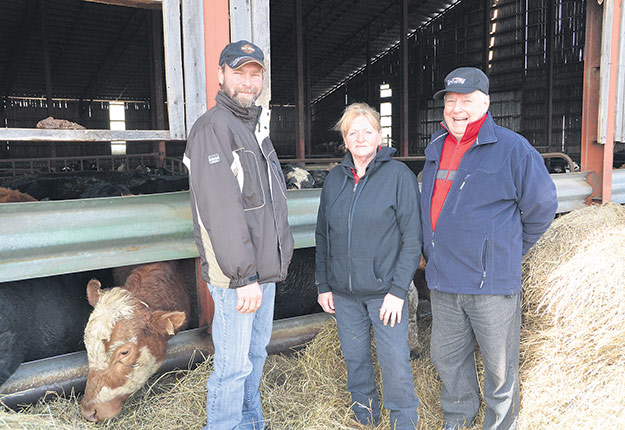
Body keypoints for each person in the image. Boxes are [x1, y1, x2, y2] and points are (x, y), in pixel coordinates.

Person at [420, 67, 558, 430]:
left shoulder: (512, 148)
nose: (457, 109)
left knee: (499, 368)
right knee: (448, 359)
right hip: (444, 280)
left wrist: (506, 252)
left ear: (485, 103)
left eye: (466, 101)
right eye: (451, 101)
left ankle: (499, 424)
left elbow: (542, 207)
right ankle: (458, 420)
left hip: (490, 284)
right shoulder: (436, 147)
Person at [183, 40, 294, 430]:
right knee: (232, 367)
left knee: (254, 355)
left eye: (254, 74)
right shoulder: (214, 128)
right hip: (239, 278)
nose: (247, 82)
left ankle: (251, 421)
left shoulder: (253, 128)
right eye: (238, 72)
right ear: (220, 76)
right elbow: (222, 210)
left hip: (262, 272)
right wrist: (244, 276)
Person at [315, 102, 421, 429]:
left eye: (367, 131)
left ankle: (403, 422)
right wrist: (324, 285)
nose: (360, 138)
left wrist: (398, 290)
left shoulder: (398, 176)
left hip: (384, 294)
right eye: (353, 132)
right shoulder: (335, 179)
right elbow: (323, 235)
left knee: (395, 363)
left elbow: (412, 239)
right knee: (356, 361)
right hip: (344, 296)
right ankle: (366, 418)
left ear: (379, 136)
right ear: (344, 140)